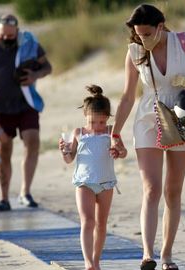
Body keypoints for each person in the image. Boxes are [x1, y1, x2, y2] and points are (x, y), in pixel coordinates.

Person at [110, 4, 185, 270]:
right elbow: (128, 95)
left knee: (173, 191)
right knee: (151, 189)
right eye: (137, 34)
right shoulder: (134, 51)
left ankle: (166, 256)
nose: (142, 38)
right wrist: (115, 132)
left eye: (146, 33)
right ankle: (147, 255)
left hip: (183, 115)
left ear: (160, 25)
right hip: (148, 117)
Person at [0, 14, 52, 211]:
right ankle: (4, 198)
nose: (6, 39)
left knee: (32, 141)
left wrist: (36, 74)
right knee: (4, 150)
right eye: (2, 35)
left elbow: (47, 66)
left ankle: (25, 192)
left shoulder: (28, 43)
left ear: (17, 32)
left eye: (10, 36)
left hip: (26, 102)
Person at [59, 85, 126, 270]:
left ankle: (96, 260)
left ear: (107, 119)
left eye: (102, 122)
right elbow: (69, 159)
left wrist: (117, 151)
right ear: (85, 117)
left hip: (106, 184)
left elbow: (123, 152)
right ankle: (88, 262)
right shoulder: (78, 133)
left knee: (101, 224)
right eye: (93, 122)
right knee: (88, 221)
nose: (98, 127)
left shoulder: (111, 131)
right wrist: (64, 150)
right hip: (84, 183)